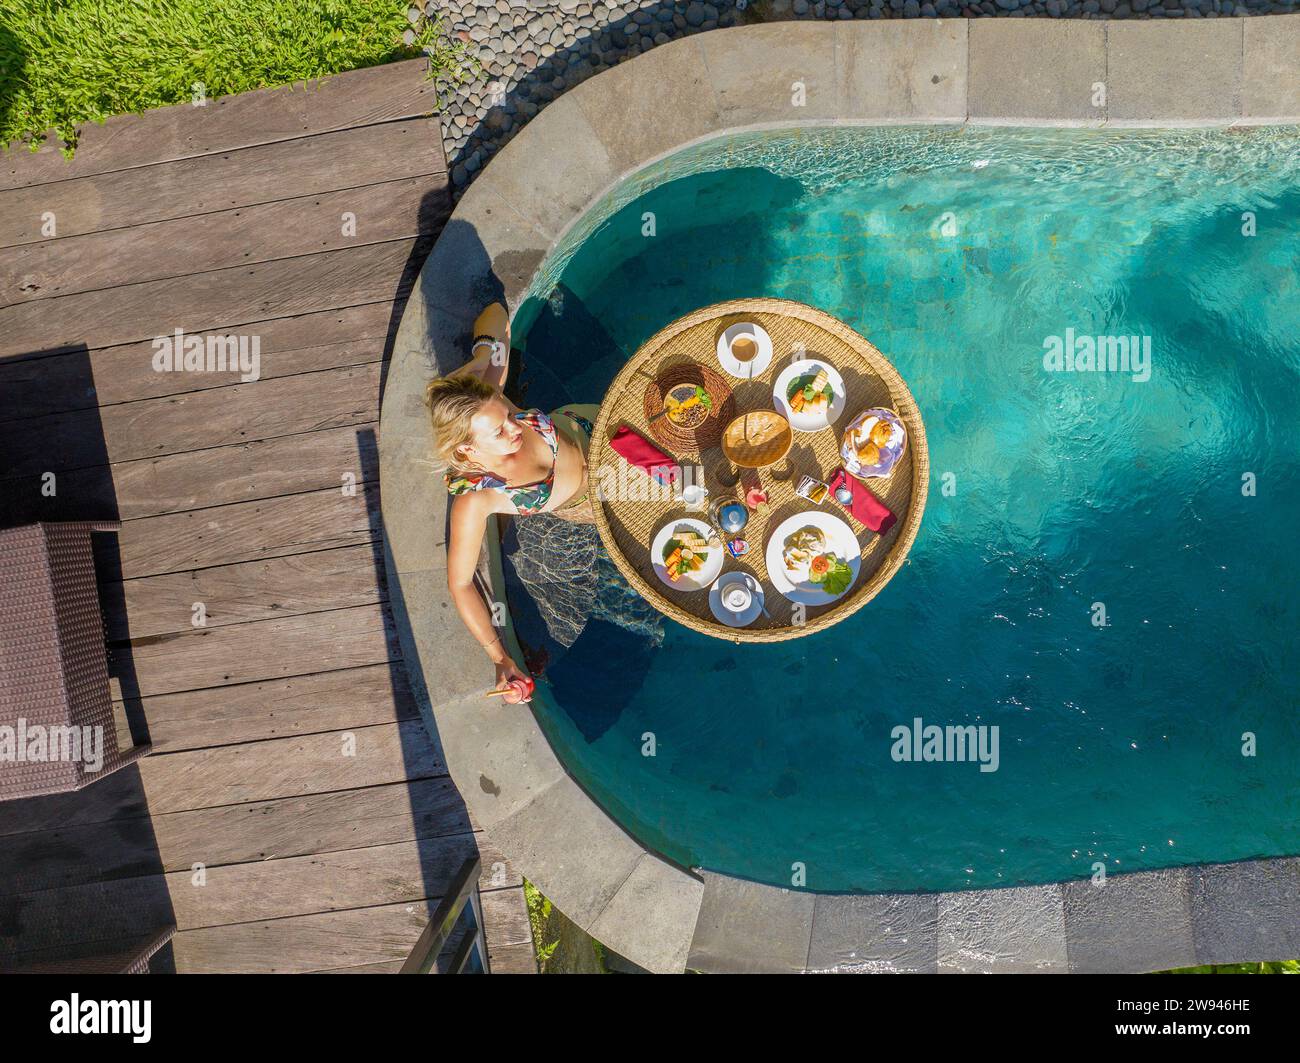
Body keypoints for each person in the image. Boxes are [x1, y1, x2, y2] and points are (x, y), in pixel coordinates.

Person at [427, 303, 597, 703]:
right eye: (500, 432)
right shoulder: (478, 499)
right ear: (468, 452)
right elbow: (461, 583)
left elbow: (495, 313)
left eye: (509, 416)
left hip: (602, 428)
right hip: (591, 496)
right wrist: (500, 656)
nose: (514, 427)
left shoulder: (495, 407)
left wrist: (482, 358)